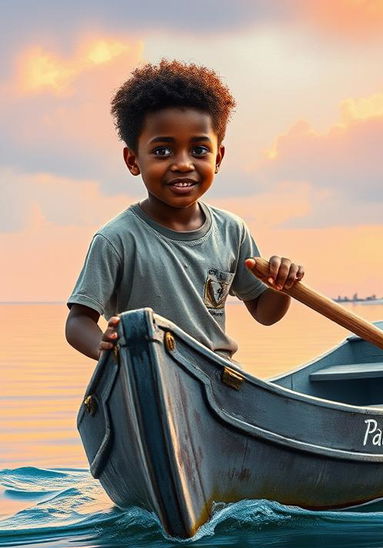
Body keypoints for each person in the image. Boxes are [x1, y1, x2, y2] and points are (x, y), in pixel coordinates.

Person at [65, 59, 304, 361]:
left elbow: (264, 313)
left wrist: (282, 287)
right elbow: (78, 321)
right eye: (162, 150)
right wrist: (106, 350)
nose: (182, 163)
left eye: (199, 150)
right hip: (147, 374)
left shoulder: (232, 230)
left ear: (218, 157)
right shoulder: (118, 239)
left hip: (217, 383)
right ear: (133, 160)